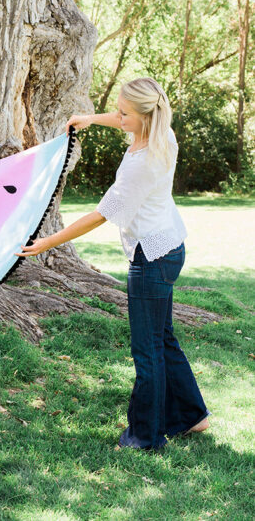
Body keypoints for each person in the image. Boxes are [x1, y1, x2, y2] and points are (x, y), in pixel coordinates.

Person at [16, 77, 210, 450]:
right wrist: (90, 119)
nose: (117, 117)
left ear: (143, 117)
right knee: (163, 338)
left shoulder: (143, 163)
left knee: (147, 348)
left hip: (151, 258)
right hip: (170, 246)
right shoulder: (162, 133)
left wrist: (47, 243)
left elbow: (101, 215)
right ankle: (192, 416)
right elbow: (123, 117)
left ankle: (144, 437)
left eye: (123, 113)